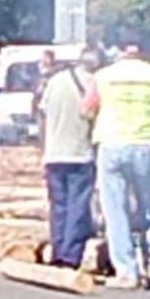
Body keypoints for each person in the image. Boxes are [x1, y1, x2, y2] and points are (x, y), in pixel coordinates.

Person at [83, 42, 150, 290]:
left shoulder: (104, 77)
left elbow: (87, 108)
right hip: (147, 143)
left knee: (116, 210)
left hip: (112, 143)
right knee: (149, 206)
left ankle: (127, 270)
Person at [39, 47, 103, 268]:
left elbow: (43, 113)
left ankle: (57, 249)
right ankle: (70, 254)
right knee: (77, 205)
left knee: (58, 205)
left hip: (54, 152)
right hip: (80, 153)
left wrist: (44, 147)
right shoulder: (95, 84)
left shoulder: (56, 80)